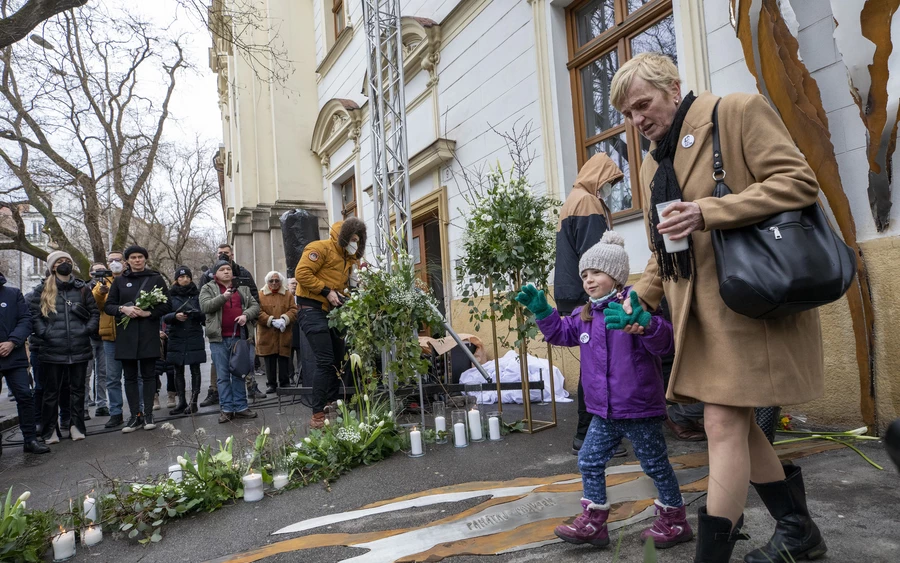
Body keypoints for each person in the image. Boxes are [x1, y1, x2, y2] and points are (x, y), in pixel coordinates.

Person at [611, 52, 826, 562]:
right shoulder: (651, 163)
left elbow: (798, 182)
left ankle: (718, 555)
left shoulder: (736, 113)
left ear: (672, 87)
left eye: (643, 104)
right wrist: (639, 299)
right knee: (738, 426)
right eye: (626, 113)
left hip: (749, 304)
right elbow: (664, 247)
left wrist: (709, 211)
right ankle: (799, 533)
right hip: (699, 318)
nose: (638, 120)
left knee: (723, 426)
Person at [517, 232, 690, 550]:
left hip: (639, 408)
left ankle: (675, 520)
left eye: (595, 272)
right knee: (589, 460)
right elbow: (559, 332)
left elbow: (665, 342)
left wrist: (645, 323)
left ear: (616, 275)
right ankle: (595, 522)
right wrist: (543, 311)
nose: (588, 279)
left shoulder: (633, 306)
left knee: (654, 464)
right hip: (603, 411)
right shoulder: (586, 316)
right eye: (584, 274)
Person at [555, 152, 624, 456]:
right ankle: (590, 435)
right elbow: (598, 257)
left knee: (595, 363)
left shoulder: (574, 199)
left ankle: (592, 435)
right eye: (609, 181)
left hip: (574, 292)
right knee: (599, 365)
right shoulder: (586, 202)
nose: (609, 188)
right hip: (588, 295)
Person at [295, 218, 366, 429]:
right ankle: (317, 414)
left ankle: (331, 404)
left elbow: (342, 287)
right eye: (352, 238)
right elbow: (302, 273)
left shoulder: (349, 259)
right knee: (325, 360)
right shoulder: (319, 248)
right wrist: (326, 291)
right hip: (311, 309)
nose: (355, 242)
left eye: (358, 239)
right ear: (342, 235)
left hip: (333, 312)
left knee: (338, 359)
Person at [30, 251, 100, 443]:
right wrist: (46, 333)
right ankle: (50, 430)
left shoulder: (82, 289)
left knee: (77, 390)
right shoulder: (42, 289)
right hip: (52, 349)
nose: (64, 264)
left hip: (79, 347)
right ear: (52, 266)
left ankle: (76, 426)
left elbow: (94, 313)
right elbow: (34, 315)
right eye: (60, 261)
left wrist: (86, 330)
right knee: (51, 392)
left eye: (67, 261)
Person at [103, 245, 171, 433]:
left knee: (149, 375)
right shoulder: (120, 281)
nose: (137, 260)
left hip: (148, 333)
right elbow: (109, 306)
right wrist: (123, 309)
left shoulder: (155, 278)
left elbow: (167, 305)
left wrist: (149, 312)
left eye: (140, 256)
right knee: (130, 377)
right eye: (133, 257)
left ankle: (148, 414)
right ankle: (135, 416)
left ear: (145, 259)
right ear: (127, 261)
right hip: (126, 335)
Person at [198, 243, 262, 406]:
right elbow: (204, 306)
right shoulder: (207, 286)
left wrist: (246, 316)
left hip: (239, 337)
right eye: (222, 270)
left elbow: (255, 304)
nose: (226, 271)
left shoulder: (242, 287)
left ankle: (241, 406)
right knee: (223, 375)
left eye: (228, 269)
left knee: (239, 373)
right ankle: (226, 408)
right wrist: (223, 297)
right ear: (215, 275)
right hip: (218, 339)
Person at [0, 270, 49, 456]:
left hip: (14, 356)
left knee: (25, 395)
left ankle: (30, 440)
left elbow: (25, 320)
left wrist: (12, 342)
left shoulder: (13, 294)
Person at [163, 266, 206, 415]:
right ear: (176, 279)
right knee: (178, 370)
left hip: (194, 334)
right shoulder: (169, 295)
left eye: (187, 276)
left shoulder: (197, 294)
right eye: (181, 277)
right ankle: (181, 402)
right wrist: (175, 316)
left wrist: (196, 314)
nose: (185, 279)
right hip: (176, 335)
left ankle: (194, 402)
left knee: (195, 369)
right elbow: (164, 316)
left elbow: (205, 316)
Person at [93, 250, 128, 428]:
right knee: (112, 378)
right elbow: (97, 305)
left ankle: (140, 410)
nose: (114, 263)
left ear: (124, 262)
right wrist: (101, 292)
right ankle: (116, 413)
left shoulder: (130, 279)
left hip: (129, 334)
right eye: (111, 260)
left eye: (118, 260)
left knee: (133, 375)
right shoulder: (101, 283)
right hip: (110, 336)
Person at [257, 271, 297, 394]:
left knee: (284, 356)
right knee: (269, 359)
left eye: (277, 280)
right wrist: (271, 320)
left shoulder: (287, 294)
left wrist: (285, 318)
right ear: (267, 282)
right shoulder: (260, 294)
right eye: (271, 281)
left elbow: (294, 310)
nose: (274, 283)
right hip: (267, 332)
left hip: (283, 332)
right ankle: (271, 384)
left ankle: (285, 382)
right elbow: (257, 311)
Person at [86, 263, 110, 419]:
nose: (100, 274)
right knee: (85, 373)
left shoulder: (111, 286)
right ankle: (84, 406)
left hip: (105, 335)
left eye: (103, 270)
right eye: (97, 271)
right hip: (88, 336)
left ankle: (102, 404)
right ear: (91, 274)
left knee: (103, 373)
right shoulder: (84, 289)